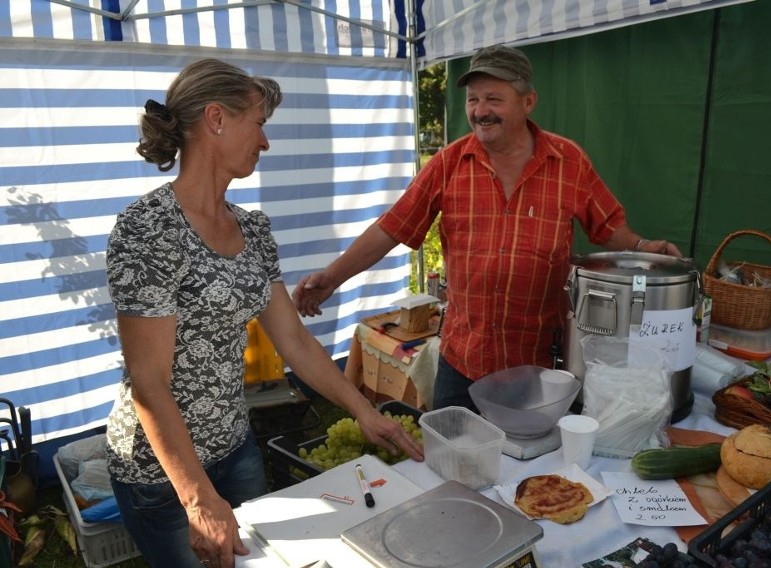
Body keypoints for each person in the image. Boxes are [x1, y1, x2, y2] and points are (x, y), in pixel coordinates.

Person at [105, 58, 423, 568]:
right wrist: (197, 498)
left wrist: (363, 410)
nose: (266, 142)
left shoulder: (251, 229)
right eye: (260, 123)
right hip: (164, 476)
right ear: (216, 119)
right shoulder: (147, 230)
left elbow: (294, 341)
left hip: (235, 447)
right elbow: (148, 381)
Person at [293, 44, 682, 411]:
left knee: (533, 475)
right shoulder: (449, 162)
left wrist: (643, 246)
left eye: (493, 99)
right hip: (464, 361)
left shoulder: (568, 161)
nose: (480, 111)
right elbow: (391, 228)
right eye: (473, 100)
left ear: (528, 102)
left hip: (539, 363)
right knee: (456, 465)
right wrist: (333, 276)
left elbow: (608, 225)